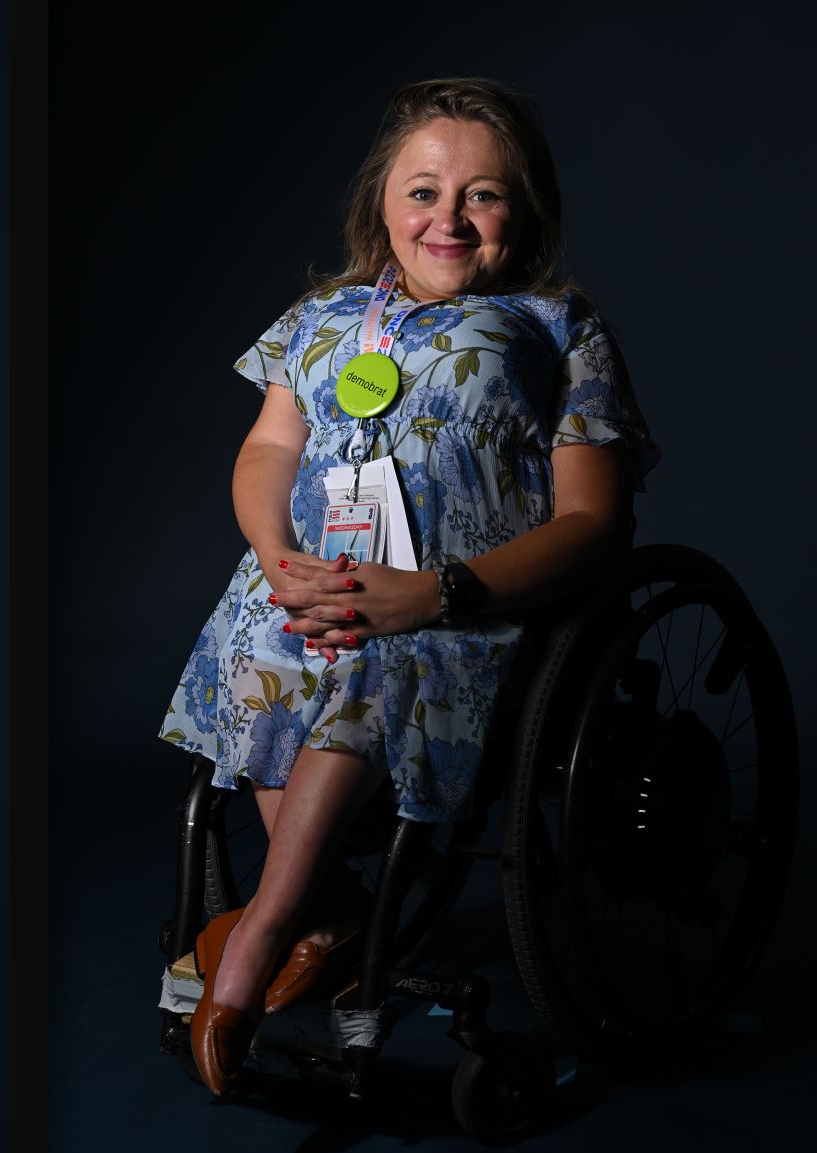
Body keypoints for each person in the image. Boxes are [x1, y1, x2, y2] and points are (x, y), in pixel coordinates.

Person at [159, 78, 659, 1097]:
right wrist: (273, 554)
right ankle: (328, 910)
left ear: (523, 212)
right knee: (262, 636)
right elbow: (268, 451)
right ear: (380, 199)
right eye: (423, 189)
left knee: (374, 661)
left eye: (483, 195)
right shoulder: (322, 314)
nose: (448, 216)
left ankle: (257, 934)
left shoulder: (557, 322)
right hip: (318, 580)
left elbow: (592, 521)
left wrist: (435, 593)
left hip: (467, 604)